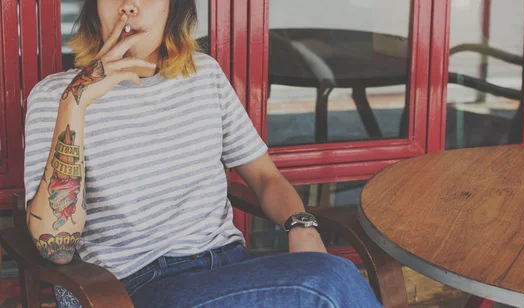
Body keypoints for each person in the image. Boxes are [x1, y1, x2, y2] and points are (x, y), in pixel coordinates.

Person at [23, 0, 383, 307]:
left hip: (232, 267)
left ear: (174, 9)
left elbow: (264, 176)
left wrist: (300, 225)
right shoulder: (56, 97)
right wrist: (78, 101)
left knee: (328, 279)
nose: (128, 6)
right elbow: (56, 249)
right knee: (327, 283)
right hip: (138, 288)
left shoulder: (203, 75)